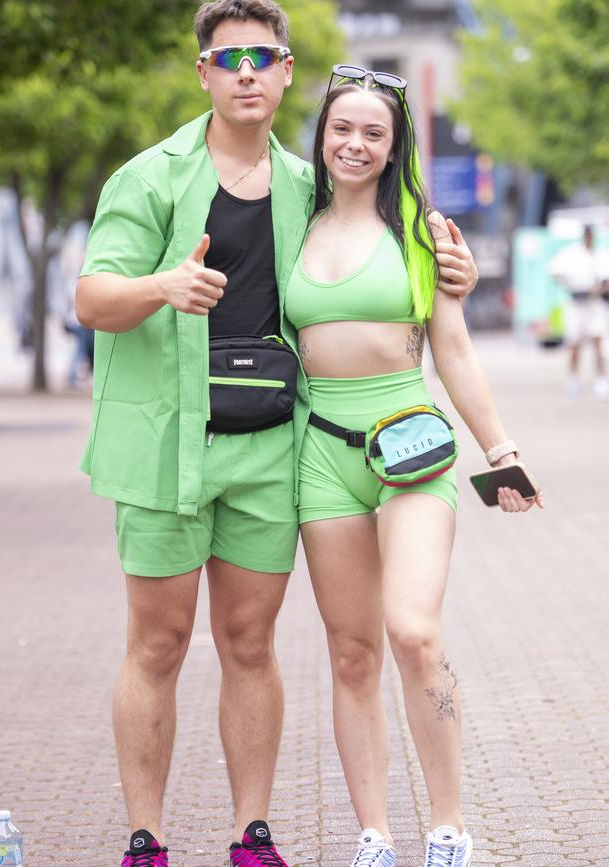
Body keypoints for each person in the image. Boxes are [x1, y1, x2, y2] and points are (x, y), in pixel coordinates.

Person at [75, 2, 478, 865]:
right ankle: (144, 836)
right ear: (206, 74)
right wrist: (162, 287)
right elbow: (91, 298)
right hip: (162, 446)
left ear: (289, 70)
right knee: (158, 641)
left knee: (251, 643)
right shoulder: (147, 179)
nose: (247, 71)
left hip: (268, 451)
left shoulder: (307, 185)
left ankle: (248, 833)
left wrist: (457, 269)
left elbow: (390, 242)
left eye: (263, 57)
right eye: (230, 59)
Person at [284, 68, 545, 867]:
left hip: (410, 445)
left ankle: (448, 828)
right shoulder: (290, 220)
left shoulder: (422, 230)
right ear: (322, 135)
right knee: (351, 650)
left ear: (395, 148)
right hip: (318, 447)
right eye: (342, 128)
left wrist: (501, 450)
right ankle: (374, 835)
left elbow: (454, 349)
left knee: (414, 632)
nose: (355, 144)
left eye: (374, 133)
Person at [548, 225, 609, 399]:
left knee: (598, 341)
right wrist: (569, 282)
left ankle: (601, 379)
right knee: (574, 343)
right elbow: (554, 271)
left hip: (594, 303)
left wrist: (599, 288)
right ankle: (573, 379)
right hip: (576, 302)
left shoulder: (601, 255)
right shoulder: (571, 254)